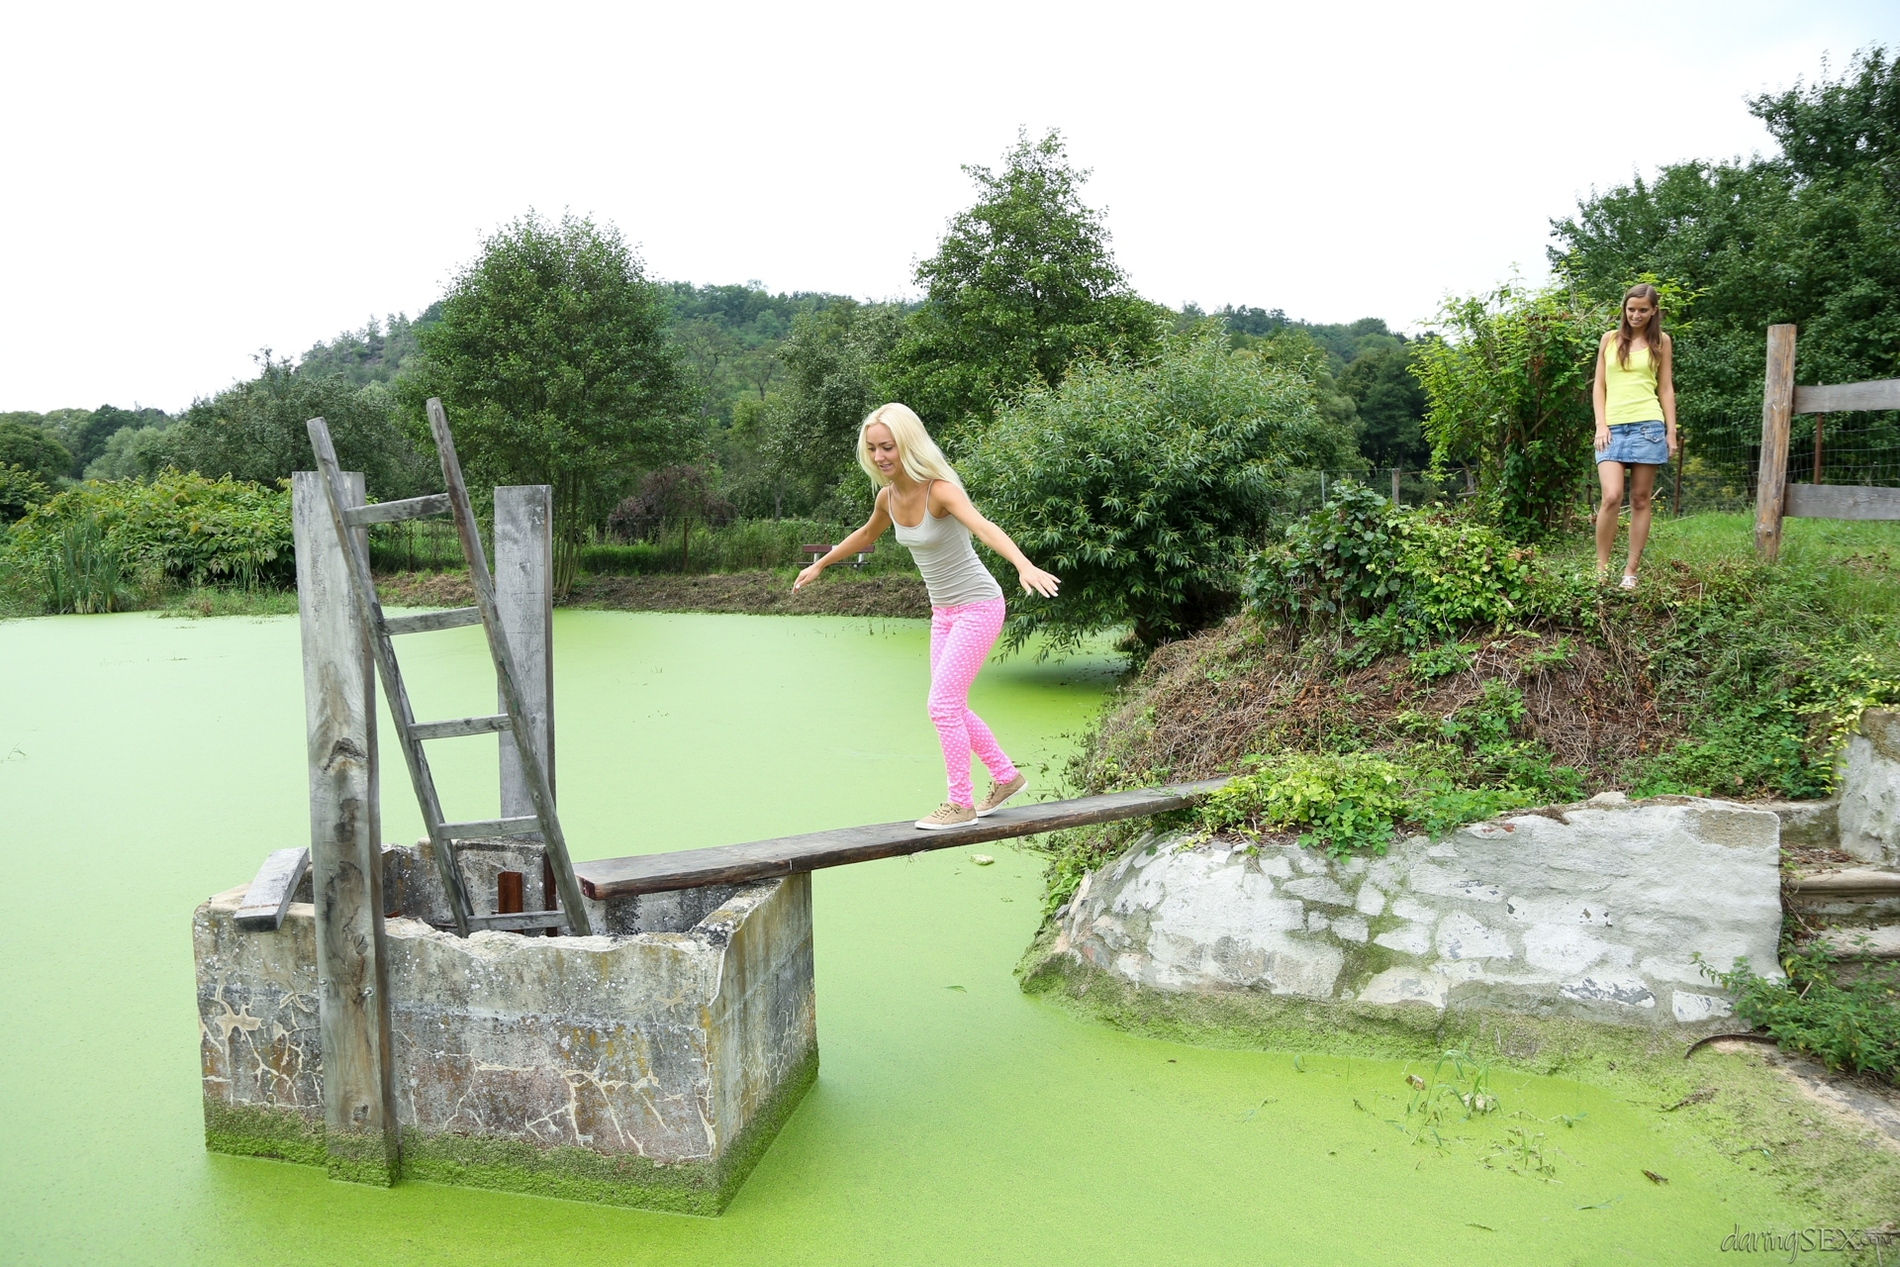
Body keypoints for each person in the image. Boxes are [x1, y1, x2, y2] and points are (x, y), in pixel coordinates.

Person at [794, 403, 1061, 829]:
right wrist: (822, 563)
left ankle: (960, 804)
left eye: (888, 447)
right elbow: (867, 533)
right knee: (949, 705)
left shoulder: (940, 491)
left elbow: (983, 527)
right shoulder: (887, 496)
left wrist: (1022, 565)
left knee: (941, 705)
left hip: (978, 606)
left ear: (908, 444)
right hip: (944, 613)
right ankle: (1006, 776)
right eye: (873, 448)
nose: (880, 456)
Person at [1592, 283, 1678, 589]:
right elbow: (1599, 385)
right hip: (1612, 428)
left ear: (1654, 310)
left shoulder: (1661, 342)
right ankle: (1601, 569)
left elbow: (1665, 388)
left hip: (1648, 427)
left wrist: (1671, 431)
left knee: (1641, 499)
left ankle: (1630, 571)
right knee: (1611, 496)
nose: (1636, 315)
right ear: (1624, 309)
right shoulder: (1609, 340)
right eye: (1631, 309)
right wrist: (1601, 425)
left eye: (1643, 310)